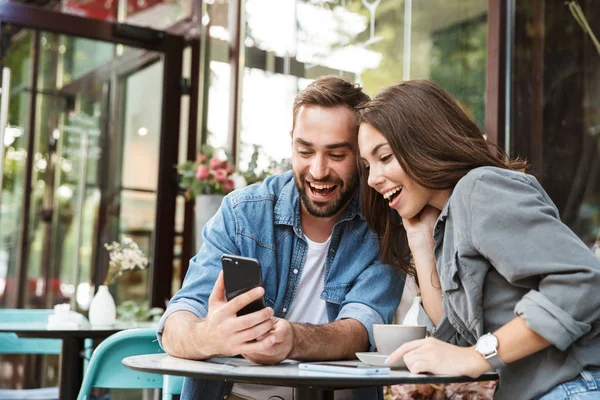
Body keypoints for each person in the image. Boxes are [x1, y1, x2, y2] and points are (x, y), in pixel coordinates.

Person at [158, 76, 405, 400]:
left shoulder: (383, 225)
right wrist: (209, 336)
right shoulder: (242, 212)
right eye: (305, 151)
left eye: (336, 154)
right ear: (291, 143)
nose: (318, 170)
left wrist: (292, 340)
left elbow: (360, 330)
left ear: (360, 152)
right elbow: (177, 321)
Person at [356, 80, 600, 400]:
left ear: (424, 141)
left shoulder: (480, 188)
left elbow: (582, 282)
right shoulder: (451, 221)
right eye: (367, 166)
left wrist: (477, 356)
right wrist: (419, 240)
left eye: (384, 157)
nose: (373, 179)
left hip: (574, 385)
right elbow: (455, 338)